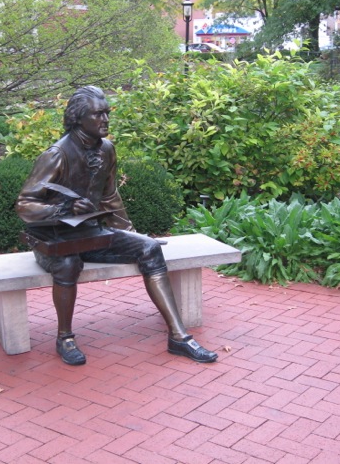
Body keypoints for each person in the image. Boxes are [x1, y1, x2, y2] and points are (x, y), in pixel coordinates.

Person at [16, 86, 218, 366]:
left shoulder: (107, 149)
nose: (106, 120)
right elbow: (25, 205)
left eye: (107, 113)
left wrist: (131, 233)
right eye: (98, 114)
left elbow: (110, 197)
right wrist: (63, 208)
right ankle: (65, 337)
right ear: (78, 118)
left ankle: (179, 337)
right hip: (54, 240)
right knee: (68, 264)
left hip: (91, 233)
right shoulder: (56, 154)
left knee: (148, 249)